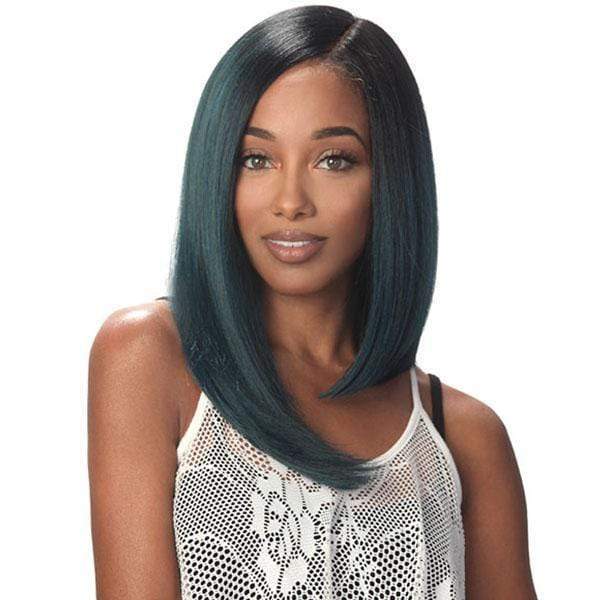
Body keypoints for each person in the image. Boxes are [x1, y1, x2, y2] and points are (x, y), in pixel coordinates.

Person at [87, 6, 537, 599]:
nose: (291, 200)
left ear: (391, 179)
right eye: (256, 159)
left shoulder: (465, 440)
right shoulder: (150, 355)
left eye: (334, 160)